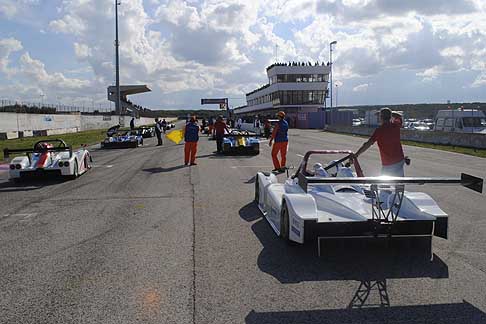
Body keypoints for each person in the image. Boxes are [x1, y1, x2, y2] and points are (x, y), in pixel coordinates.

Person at [354, 108, 405, 176]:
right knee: (399, 182)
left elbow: (368, 144)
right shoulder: (396, 126)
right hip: (399, 160)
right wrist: (389, 113)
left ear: (381, 117)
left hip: (388, 163)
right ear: (390, 117)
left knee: (383, 184)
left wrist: (357, 154)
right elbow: (398, 116)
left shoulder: (379, 131)